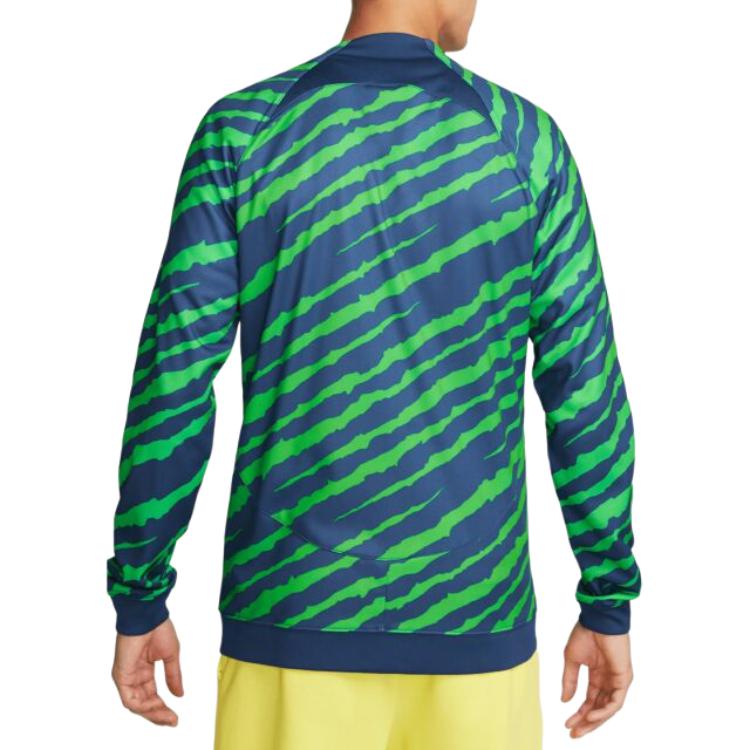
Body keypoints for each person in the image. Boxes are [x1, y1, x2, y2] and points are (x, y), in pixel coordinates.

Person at [107, 1, 641, 747]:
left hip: (290, 613)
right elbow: (585, 389)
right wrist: (607, 595)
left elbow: (175, 375)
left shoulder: (245, 132)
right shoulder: (524, 143)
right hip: (474, 619)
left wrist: (140, 590)